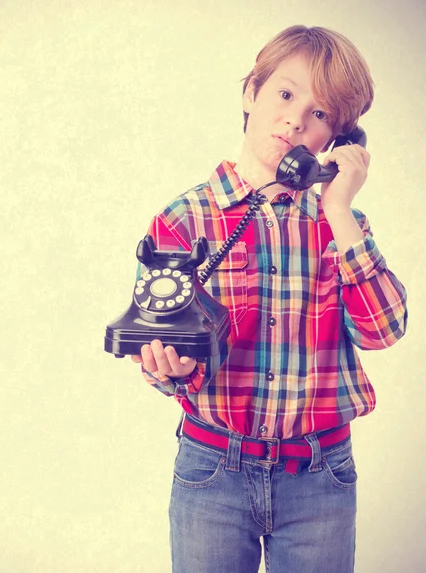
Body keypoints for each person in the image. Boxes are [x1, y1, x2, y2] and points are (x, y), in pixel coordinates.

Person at [130, 25, 408, 573]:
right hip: (212, 471)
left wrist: (339, 209)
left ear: (339, 139)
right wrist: (168, 366)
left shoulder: (341, 226)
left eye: (321, 113)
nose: (296, 120)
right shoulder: (183, 220)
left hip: (319, 476)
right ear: (250, 93)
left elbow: (384, 330)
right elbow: (158, 346)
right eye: (285, 95)